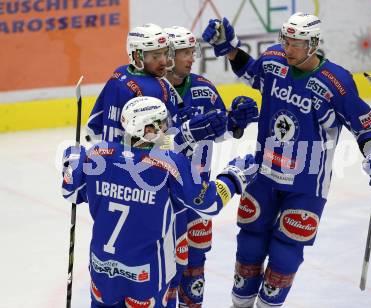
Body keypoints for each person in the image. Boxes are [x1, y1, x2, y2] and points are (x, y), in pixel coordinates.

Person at [202, 12, 371, 307]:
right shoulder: (273, 61)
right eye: (286, 40)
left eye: (296, 43)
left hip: (306, 183)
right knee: (250, 243)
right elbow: (253, 72)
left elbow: (363, 124)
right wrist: (230, 49)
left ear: (313, 44)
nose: (288, 48)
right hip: (264, 172)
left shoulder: (336, 82)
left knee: (285, 251)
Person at [62, 96, 257, 308]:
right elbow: (208, 203)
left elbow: (70, 191)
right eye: (162, 123)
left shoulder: (97, 154)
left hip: (103, 269)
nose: (167, 127)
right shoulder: (171, 165)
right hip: (146, 274)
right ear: (146, 128)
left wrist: (71, 161)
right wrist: (233, 176)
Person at [163, 25, 259, 307]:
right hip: (163, 197)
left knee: (195, 269)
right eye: (184, 52)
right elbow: (143, 147)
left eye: (193, 51)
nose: (192, 57)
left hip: (199, 193)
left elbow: (220, 129)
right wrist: (184, 134)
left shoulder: (203, 88)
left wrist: (236, 122)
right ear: (167, 55)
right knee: (167, 270)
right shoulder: (152, 93)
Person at [85, 23, 226, 152]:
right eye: (156, 56)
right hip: (141, 170)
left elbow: (93, 129)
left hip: (109, 163)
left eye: (165, 53)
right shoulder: (158, 88)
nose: (164, 61)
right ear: (136, 55)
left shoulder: (118, 75)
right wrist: (187, 131)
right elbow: (162, 144)